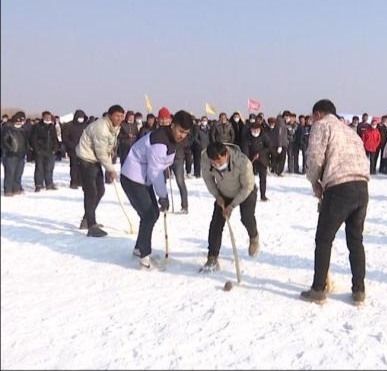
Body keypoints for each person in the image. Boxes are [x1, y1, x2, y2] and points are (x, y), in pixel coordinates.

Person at [300, 99, 370, 305]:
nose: (312, 120)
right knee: (355, 241)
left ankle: (318, 289)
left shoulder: (322, 126)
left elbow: (314, 157)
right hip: (362, 187)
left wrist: (315, 182)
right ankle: (359, 291)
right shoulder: (350, 131)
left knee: (323, 239)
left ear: (319, 114)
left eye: (313, 116)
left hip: (340, 187)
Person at [120, 110, 194, 268]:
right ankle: (144, 256)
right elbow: (155, 171)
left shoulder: (170, 138)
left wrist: (162, 194)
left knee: (152, 214)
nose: (182, 135)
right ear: (172, 125)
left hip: (143, 178)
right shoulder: (160, 142)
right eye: (180, 131)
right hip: (132, 177)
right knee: (148, 215)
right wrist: (163, 195)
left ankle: (140, 249)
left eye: (186, 133)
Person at [200, 142, 261, 272]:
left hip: (245, 192)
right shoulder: (205, 159)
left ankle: (254, 236)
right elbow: (208, 179)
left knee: (246, 217)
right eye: (213, 163)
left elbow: (248, 187)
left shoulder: (243, 162)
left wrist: (232, 206)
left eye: (219, 162)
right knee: (216, 223)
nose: (216, 165)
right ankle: (212, 257)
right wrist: (217, 196)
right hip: (223, 193)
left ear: (226, 154)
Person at [76, 105, 125, 236]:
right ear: (110, 115)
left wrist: (111, 148)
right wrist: (111, 169)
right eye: (117, 116)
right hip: (86, 158)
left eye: (121, 116)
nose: (120, 118)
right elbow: (101, 152)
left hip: (95, 158)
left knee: (100, 190)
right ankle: (91, 225)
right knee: (91, 192)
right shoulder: (101, 128)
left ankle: (87, 219)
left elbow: (108, 144)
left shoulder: (114, 126)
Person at [30, 110, 60, 192]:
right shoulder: (37, 126)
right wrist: (37, 149)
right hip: (40, 151)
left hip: (50, 151)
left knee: (49, 168)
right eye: (46, 117)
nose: (48, 119)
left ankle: (49, 184)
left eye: (49, 117)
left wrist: (55, 148)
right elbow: (33, 139)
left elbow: (55, 138)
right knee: (39, 168)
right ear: (43, 117)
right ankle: (38, 185)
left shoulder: (52, 126)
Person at [241, 123, 271, 201]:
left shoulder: (264, 136)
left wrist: (260, 154)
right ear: (250, 130)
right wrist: (248, 160)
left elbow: (269, 147)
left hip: (262, 160)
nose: (255, 132)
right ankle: (248, 195)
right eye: (253, 130)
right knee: (249, 179)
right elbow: (245, 150)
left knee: (263, 179)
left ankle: (263, 195)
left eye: (257, 130)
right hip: (251, 161)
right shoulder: (246, 137)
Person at [1, 112, 28, 196]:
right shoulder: (7, 129)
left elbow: (25, 142)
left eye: (21, 121)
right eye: (18, 121)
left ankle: (16, 188)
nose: (20, 123)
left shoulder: (22, 130)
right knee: (10, 173)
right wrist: (12, 149)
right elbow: (4, 142)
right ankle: (8, 190)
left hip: (21, 155)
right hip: (10, 155)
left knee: (18, 173)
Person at [63, 110, 88, 188]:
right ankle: (74, 182)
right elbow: (65, 138)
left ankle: (81, 181)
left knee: (83, 167)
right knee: (74, 166)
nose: (81, 119)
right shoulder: (69, 125)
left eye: (82, 117)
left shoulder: (86, 126)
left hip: (84, 150)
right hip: (73, 149)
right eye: (79, 117)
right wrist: (72, 146)